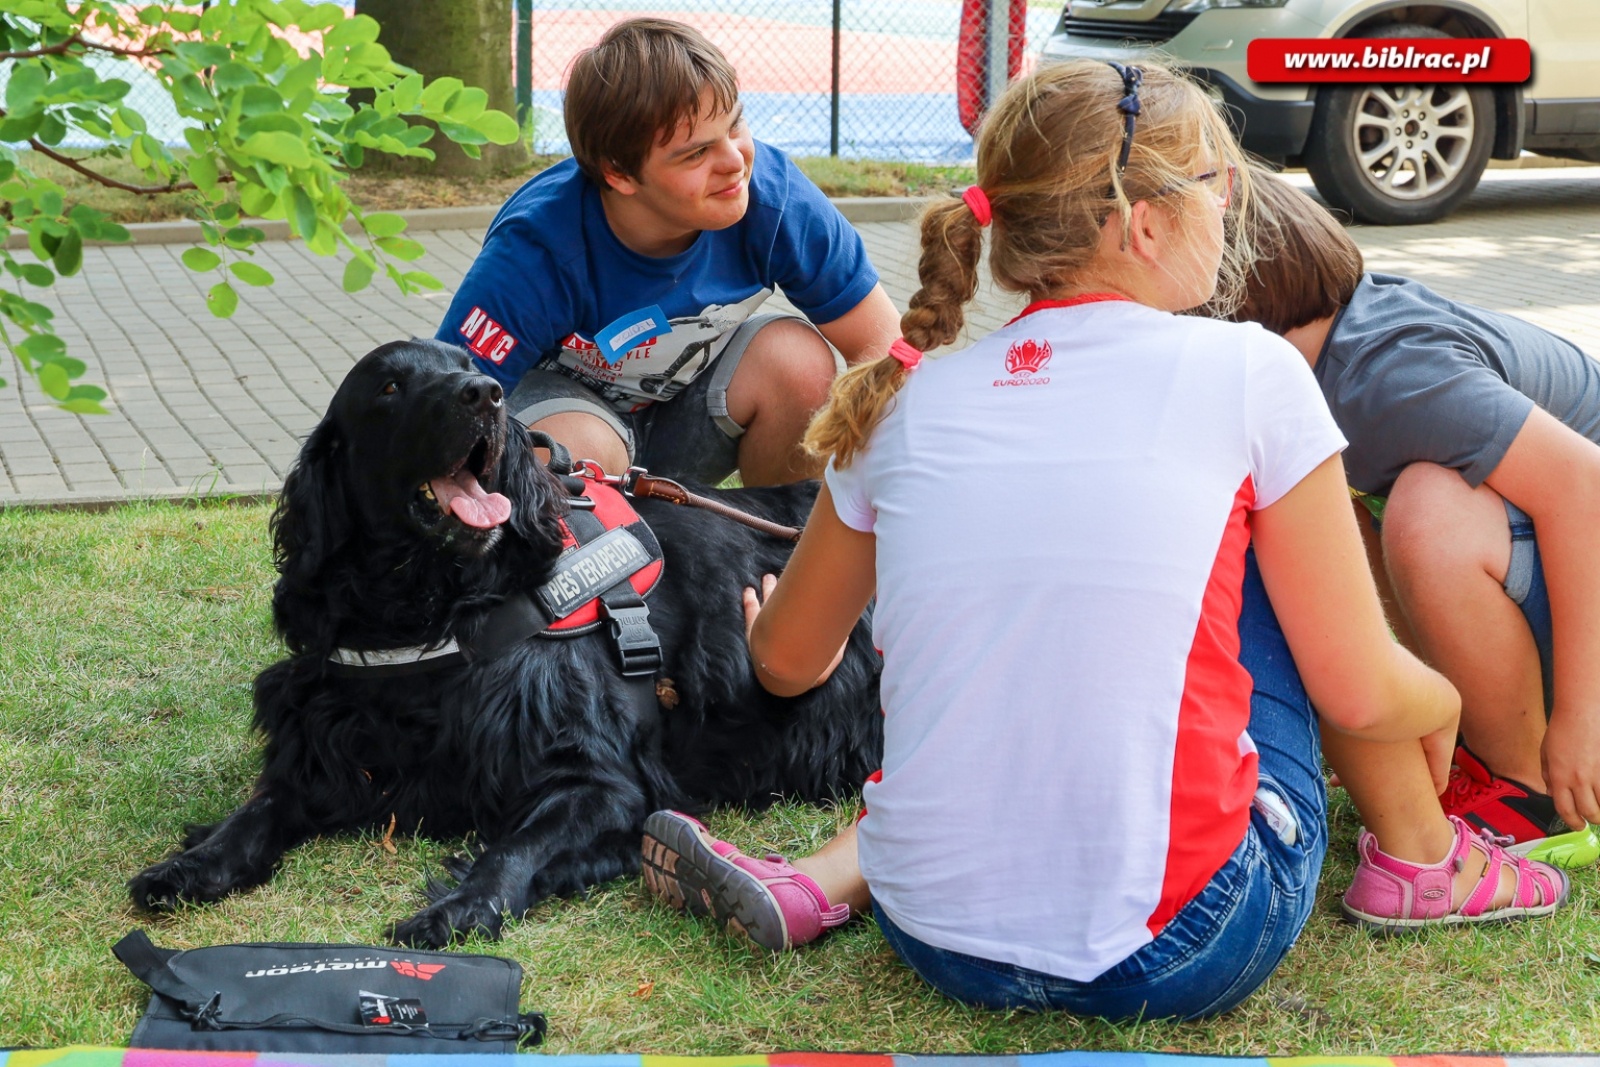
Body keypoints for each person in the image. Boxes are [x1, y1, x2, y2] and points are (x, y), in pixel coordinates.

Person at [635, 61, 1566, 1019]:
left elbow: (788, 664)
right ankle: (1423, 863)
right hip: (1182, 941)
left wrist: (764, 632)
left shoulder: (902, 400)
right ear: (1142, 221)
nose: (1234, 205)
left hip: (937, 936)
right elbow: (1363, 691)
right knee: (1256, 557)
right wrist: (1443, 689)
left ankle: (838, 872)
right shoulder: (1248, 372)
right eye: (1219, 182)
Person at [1228, 171, 1600, 850]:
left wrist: (1582, 715)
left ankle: (1528, 786)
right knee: (1335, 517)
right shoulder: (1331, 356)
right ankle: (1482, 745)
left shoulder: (1390, 375)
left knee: (1429, 510)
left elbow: (1581, 482)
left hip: (1587, 582)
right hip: (1562, 573)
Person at [434, 18, 902, 487]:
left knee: (799, 363)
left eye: (735, 123)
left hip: (688, 417)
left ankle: (774, 547)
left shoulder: (776, 202)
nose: (735, 162)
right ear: (619, 173)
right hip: (570, 418)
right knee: (573, 453)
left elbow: (886, 350)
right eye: (696, 153)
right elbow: (443, 414)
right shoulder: (535, 250)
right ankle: (601, 553)